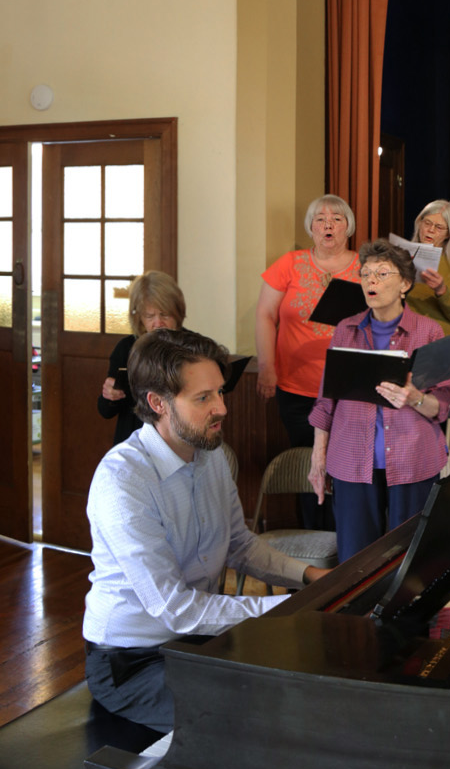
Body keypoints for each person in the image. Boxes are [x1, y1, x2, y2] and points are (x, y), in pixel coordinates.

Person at [84, 329, 332, 732]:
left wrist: (312, 578)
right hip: (132, 660)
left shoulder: (209, 453)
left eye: (220, 392)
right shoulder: (123, 480)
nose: (222, 408)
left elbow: (240, 545)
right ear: (158, 403)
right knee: (254, 718)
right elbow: (174, 608)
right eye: (204, 398)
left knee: (306, 678)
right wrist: (290, 610)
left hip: (194, 638)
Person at [308, 241, 450, 564]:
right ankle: (358, 618)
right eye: (366, 274)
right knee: (356, 562)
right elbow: (326, 402)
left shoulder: (428, 331)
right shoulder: (346, 330)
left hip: (413, 460)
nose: (371, 280)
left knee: (413, 559)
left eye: (382, 273)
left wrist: (414, 397)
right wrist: (318, 457)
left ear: (404, 284)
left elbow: (441, 407)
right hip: (351, 461)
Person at [254, 194, 361, 527]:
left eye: (336, 218)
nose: (327, 224)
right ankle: (314, 541)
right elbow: (265, 315)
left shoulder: (366, 266)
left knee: (347, 465)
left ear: (348, 227)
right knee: (308, 464)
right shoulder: (289, 263)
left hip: (349, 388)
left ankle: (347, 543)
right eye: (320, 219)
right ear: (311, 227)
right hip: (297, 388)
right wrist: (266, 368)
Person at [99, 271, 185, 444]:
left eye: (164, 314)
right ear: (139, 318)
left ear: (177, 313)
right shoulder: (126, 348)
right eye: (150, 316)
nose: (158, 323)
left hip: (180, 439)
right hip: (135, 441)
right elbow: (105, 411)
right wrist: (110, 395)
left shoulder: (192, 346)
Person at [403, 199, 450, 337]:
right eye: (427, 223)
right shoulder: (402, 255)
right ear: (419, 223)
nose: (431, 230)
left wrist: (441, 290)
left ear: (448, 234)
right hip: (408, 334)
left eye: (439, 227)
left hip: (443, 337)